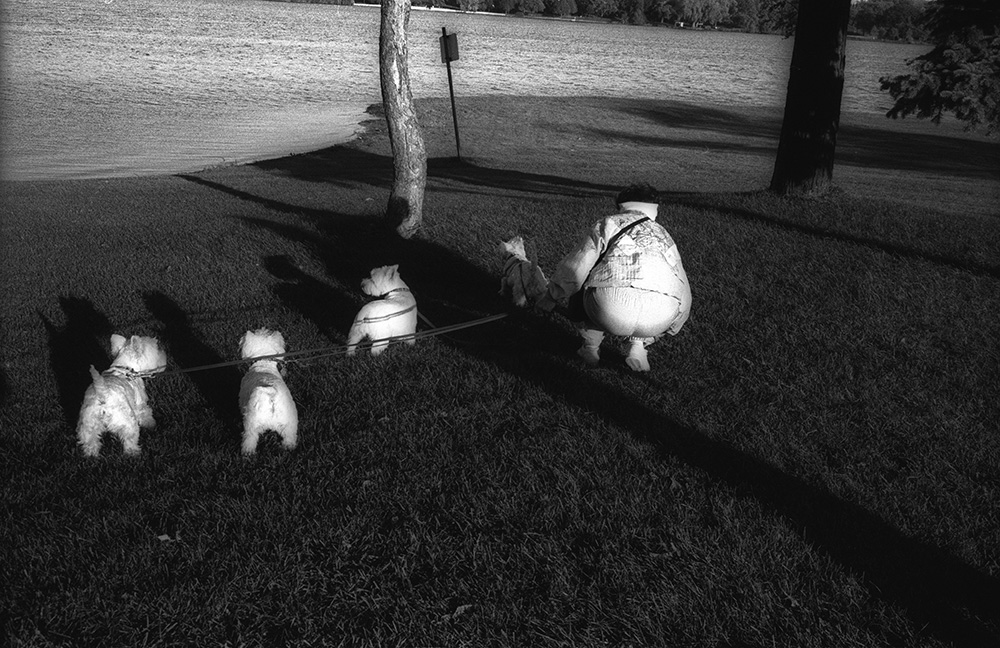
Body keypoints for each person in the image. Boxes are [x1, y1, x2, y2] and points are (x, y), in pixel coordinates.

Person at [536, 183, 691, 371]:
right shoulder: (665, 235)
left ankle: (590, 348)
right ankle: (638, 349)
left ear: (621, 205)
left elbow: (577, 265)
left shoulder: (609, 223)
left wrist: (551, 296)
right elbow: (684, 289)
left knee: (588, 273)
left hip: (609, 307)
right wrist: (673, 324)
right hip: (661, 315)